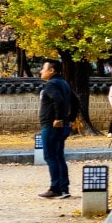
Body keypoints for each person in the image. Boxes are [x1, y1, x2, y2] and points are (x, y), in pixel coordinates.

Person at [38, 59, 73, 199]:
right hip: (63, 125)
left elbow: (58, 100)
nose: (41, 71)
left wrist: (58, 118)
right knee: (59, 156)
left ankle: (55, 188)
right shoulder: (64, 83)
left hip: (52, 125)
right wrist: (70, 118)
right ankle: (64, 188)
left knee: (50, 156)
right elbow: (75, 101)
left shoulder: (51, 85)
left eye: (43, 69)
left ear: (51, 70)